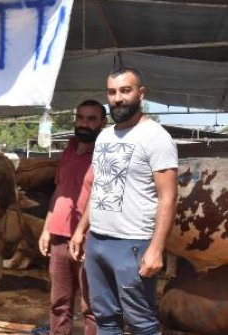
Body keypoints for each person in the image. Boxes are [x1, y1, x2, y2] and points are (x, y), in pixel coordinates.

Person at [69, 67, 178, 335]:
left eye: (125, 91)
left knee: (141, 322)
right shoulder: (105, 136)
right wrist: (82, 230)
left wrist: (156, 249)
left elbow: (169, 196)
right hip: (98, 242)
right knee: (104, 318)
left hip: (132, 244)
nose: (117, 98)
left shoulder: (156, 137)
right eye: (112, 92)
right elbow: (99, 187)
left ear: (141, 94)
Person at [38, 99, 106, 335]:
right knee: (59, 304)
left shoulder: (105, 154)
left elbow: (100, 196)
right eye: (80, 117)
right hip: (59, 238)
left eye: (91, 119)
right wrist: (47, 228)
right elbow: (59, 191)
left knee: (92, 306)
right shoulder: (67, 151)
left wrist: (81, 232)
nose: (84, 124)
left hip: (91, 239)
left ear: (102, 123)